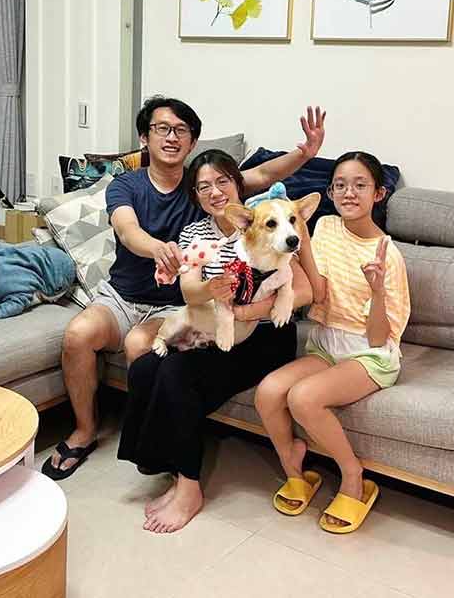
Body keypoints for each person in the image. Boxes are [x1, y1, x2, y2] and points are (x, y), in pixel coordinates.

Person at [41, 97, 326, 480]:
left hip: (175, 305)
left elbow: (260, 175)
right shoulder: (129, 185)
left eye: (181, 130)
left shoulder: (205, 185)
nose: (172, 137)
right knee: (77, 335)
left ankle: (153, 442)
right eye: (162, 128)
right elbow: (126, 229)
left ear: (192, 142)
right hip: (124, 297)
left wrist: (304, 153)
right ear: (144, 137)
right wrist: (158, 249)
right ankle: (84, 431)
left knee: (142, 349)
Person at [117, 150, 314, 533]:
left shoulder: (269, 219)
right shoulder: (195, 234)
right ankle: (168, 469)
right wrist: (214, 287)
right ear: (196, 195)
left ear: (238, 185)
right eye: (204, 186)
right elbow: (190, 293)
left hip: (266, 335)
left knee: (177, 371)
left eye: (223, 181)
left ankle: (189, 488)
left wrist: (250, 311)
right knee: (144, 368)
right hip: (213, 328)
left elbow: (304, 290)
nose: (215, 192)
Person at [254, 151, 410, 533]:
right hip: (326, 344)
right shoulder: (324, 226)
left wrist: (377, 290)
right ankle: (294, 468)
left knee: (303, 398)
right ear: (330, 192)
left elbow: (380, 337)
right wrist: (303, 238)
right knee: (268, 391)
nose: (348, 193)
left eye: (360, 185)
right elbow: (319, 292)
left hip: (371, 354)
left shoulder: (388, 254)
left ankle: (354, 477)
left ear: (379, 193)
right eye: (340, 185)